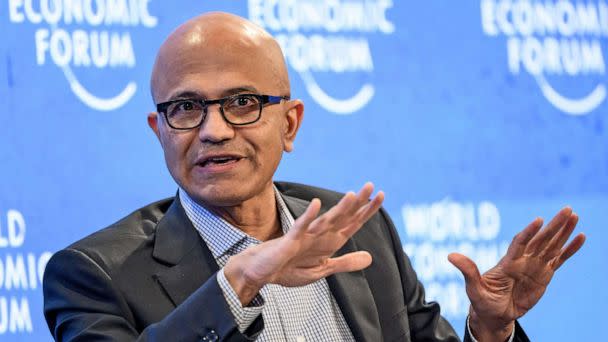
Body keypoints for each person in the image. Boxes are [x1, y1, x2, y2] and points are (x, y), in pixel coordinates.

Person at [42, 12, 585, 342]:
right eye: (185, 108)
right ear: (158, 129)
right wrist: (238, 282)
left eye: (243, 103)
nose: (213, 130)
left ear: (290, 123)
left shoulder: (357, 230)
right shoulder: (92, 275)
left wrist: (491, 329)